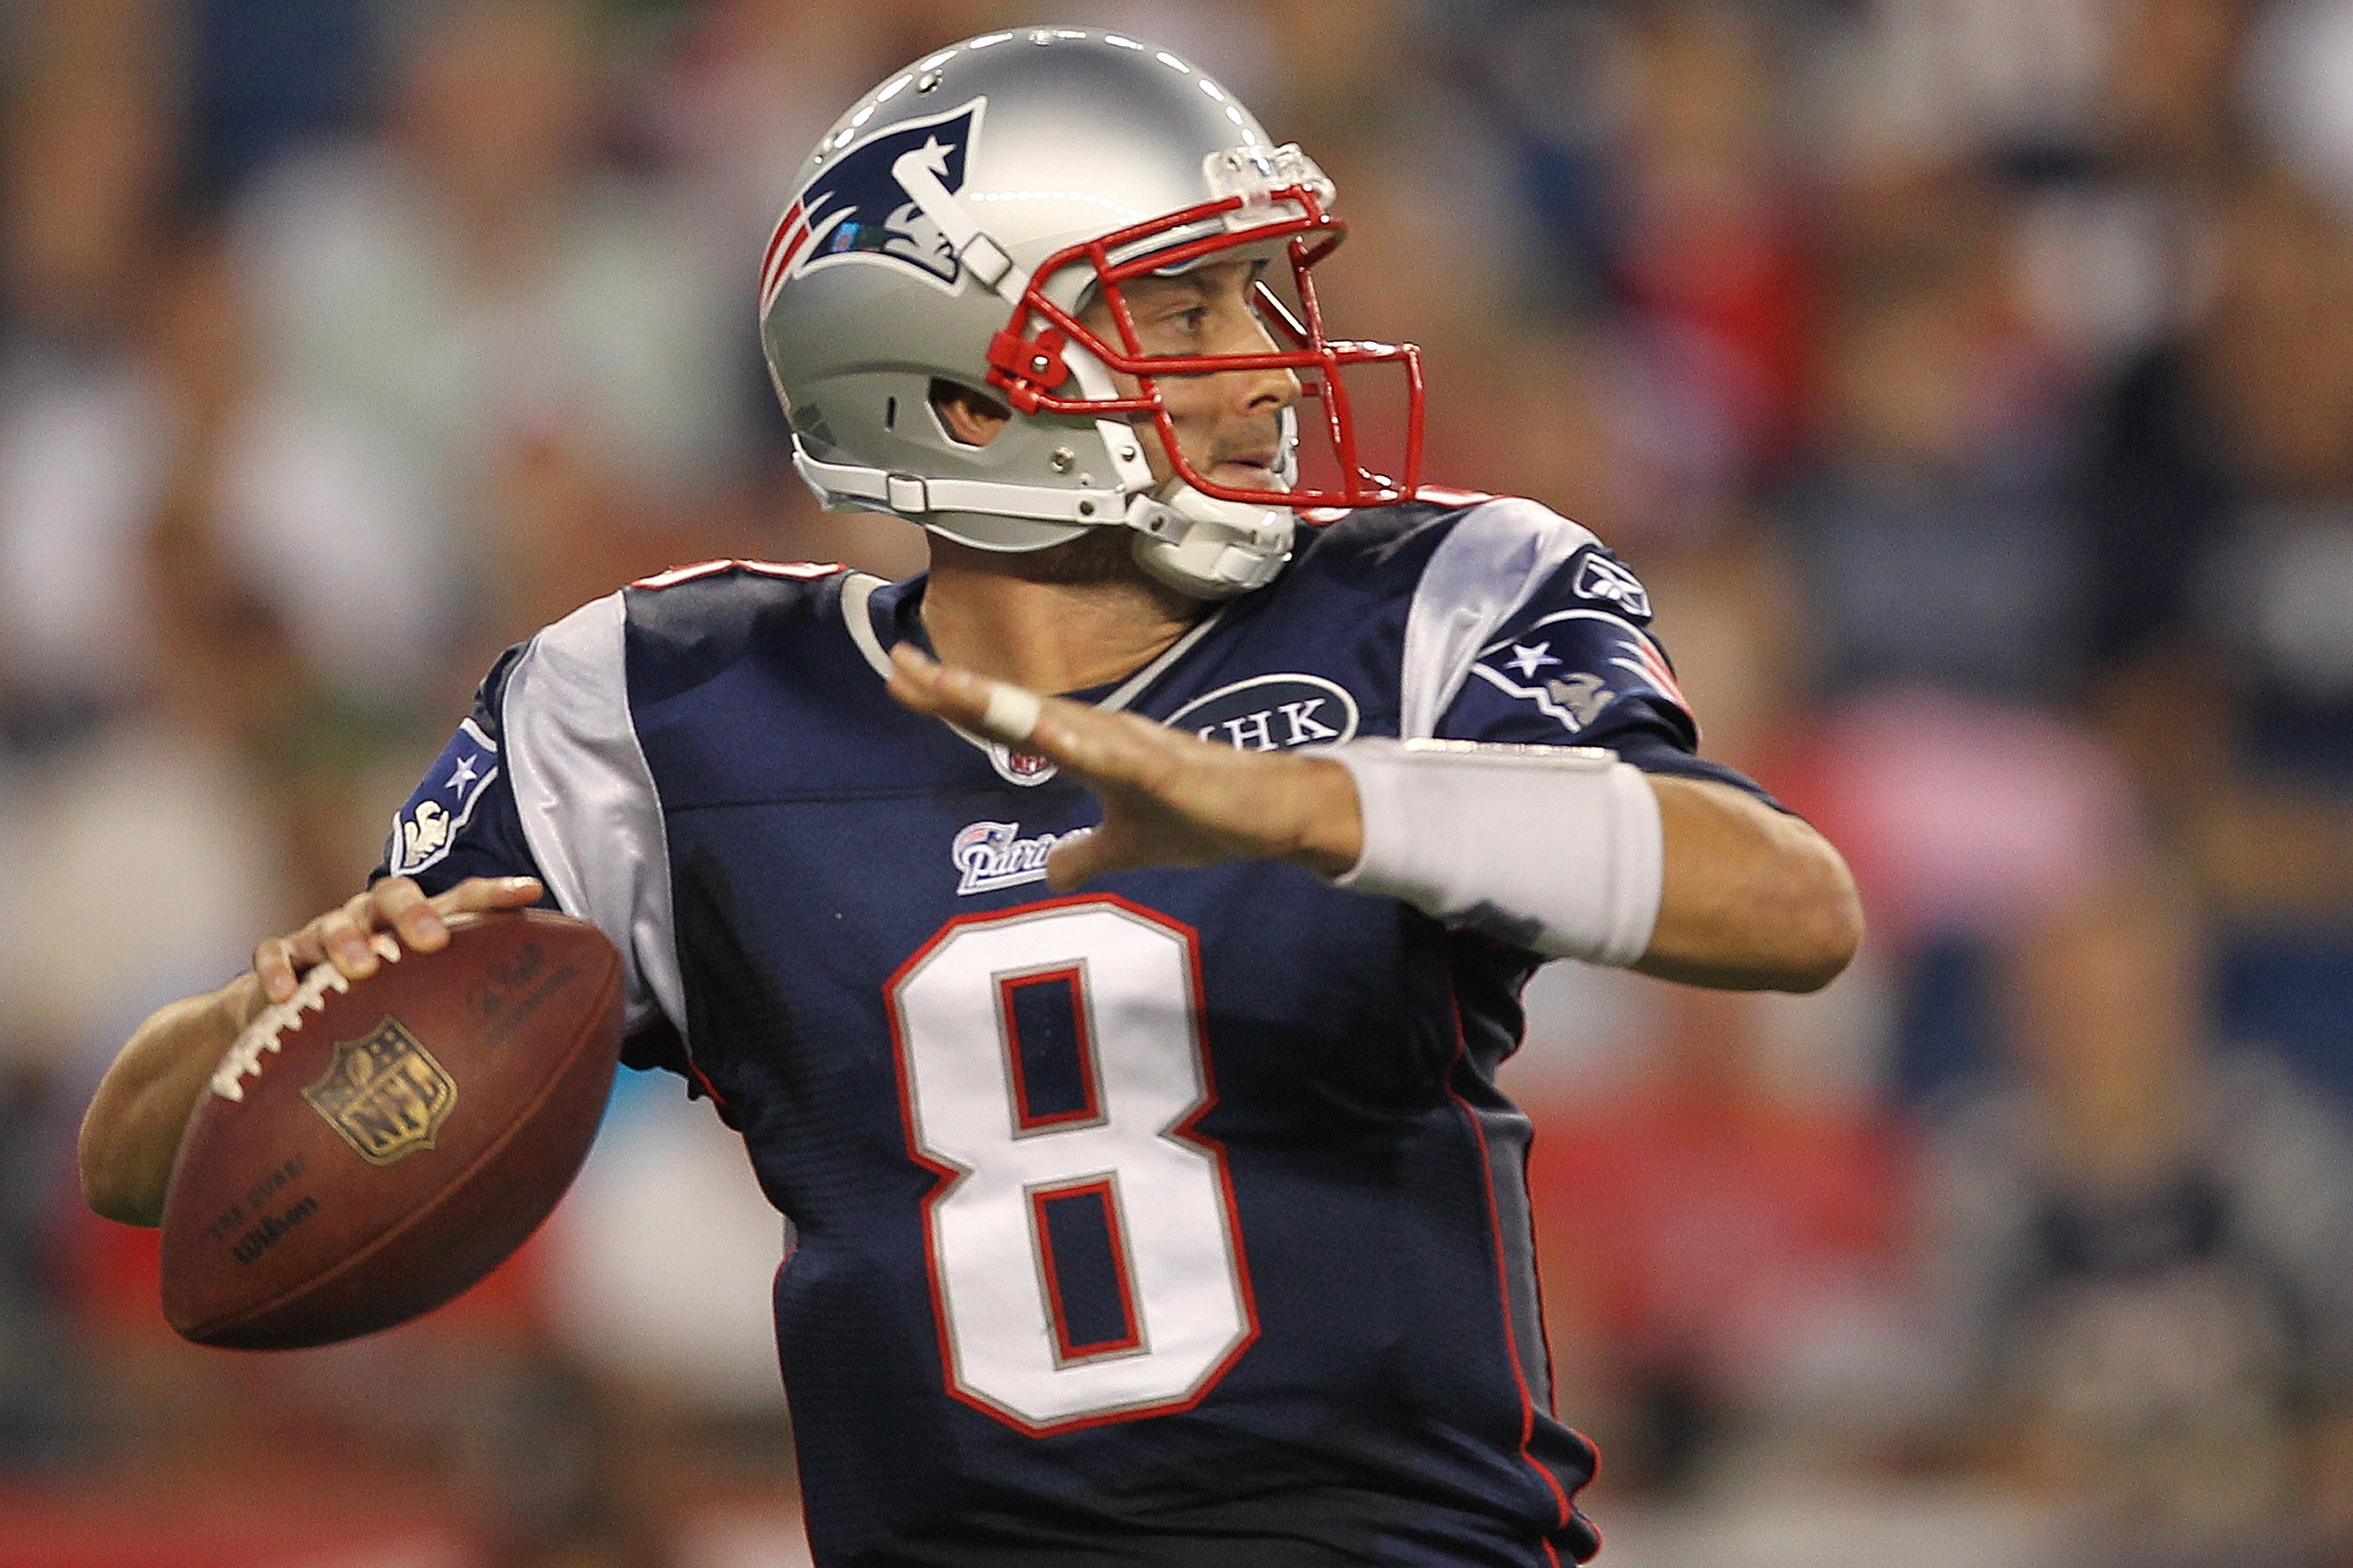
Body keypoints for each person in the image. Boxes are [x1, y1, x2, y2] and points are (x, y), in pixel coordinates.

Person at [78, 30, 1860, 1566]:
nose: (1263, 358)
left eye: (1259, 288)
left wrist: (1327, 806)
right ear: (956, 389)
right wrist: (307, 994)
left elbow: (1790, 906)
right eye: (1180, 303)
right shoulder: (657, 708)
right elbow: (142, 1161)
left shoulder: (1431, 601)